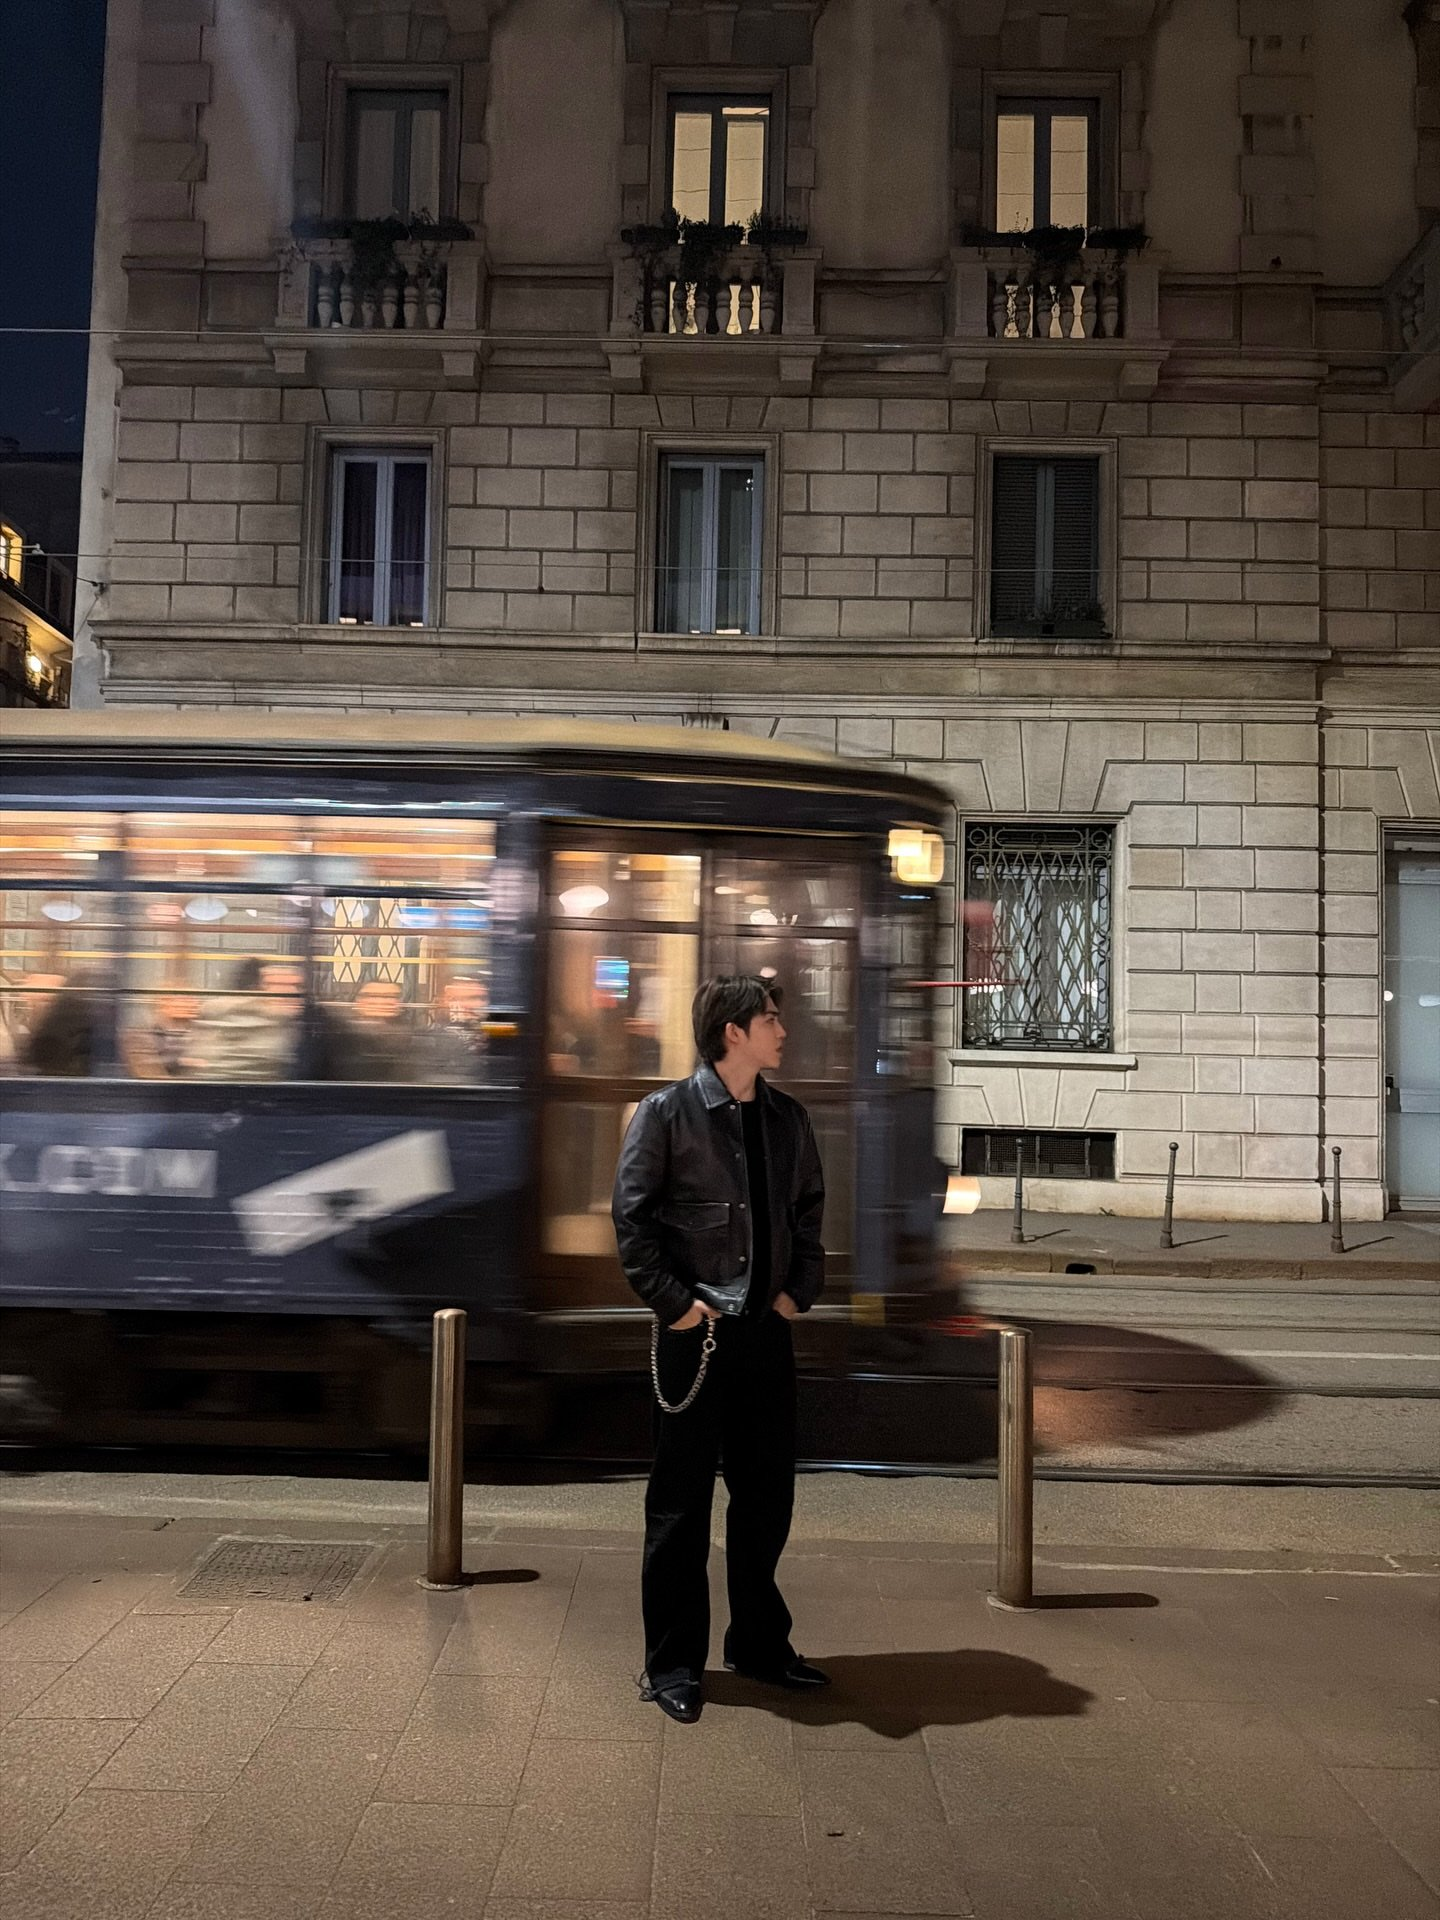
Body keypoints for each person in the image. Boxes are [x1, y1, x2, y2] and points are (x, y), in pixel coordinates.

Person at [611, 974, 827, 1726]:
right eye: (772, 1019)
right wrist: (675, 1306)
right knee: (680, 1506)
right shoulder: (667, 1114)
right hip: (694, 1339)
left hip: (764, 1334)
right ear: (733, 1032)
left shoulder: (787, 1118)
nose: (783, 1031)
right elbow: (632, 1224)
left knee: (767, 1499)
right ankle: (672, 1664)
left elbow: (807, 1214)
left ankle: (759, 1646)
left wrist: (799, 1290)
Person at [184, 958, 301, 1081]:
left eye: (296, 986)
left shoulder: (215, 1010)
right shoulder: (270, 1020)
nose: (293, 992)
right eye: (280, 985)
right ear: (261, 987)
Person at [336, 978, 411, 1081]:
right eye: (372, 996)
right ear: (359, 1002)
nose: (381, 1002)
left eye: (391, 997)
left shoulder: (411, 1036)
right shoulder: (340, 1035)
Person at [425, 976, 489, 1082]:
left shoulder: (487, 1034)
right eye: (471, 998)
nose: (479, 1004)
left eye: (482, 998)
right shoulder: (435, 1039)